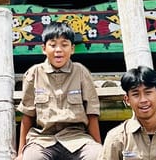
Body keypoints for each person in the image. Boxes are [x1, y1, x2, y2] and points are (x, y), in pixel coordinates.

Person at [16, 22, 102, 160]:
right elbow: (27, 115)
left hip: (77, 139)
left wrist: (98, 147)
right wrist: (20, 153)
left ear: (72, 49)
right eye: (53, 44)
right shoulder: (34, 73)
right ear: (44, 48)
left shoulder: (81, 72)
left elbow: (92, 113)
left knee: (97, 155)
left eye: (64, 44)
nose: (58, 50)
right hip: (42, 140)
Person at [100, 66, 156, 160]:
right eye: (136, 94)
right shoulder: (116, 139)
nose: (143, 100)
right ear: (127, 100)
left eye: (148, 93)